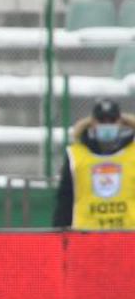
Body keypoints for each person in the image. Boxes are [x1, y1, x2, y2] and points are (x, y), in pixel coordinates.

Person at [52, 98, 135, 229]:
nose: (107, 125)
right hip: (86, 238)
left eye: (112, 120)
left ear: (120, 122)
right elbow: (65, 199)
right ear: (93, 123)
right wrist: (58, 234)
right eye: (101, 121)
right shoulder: (76, 155)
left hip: (128, 238)